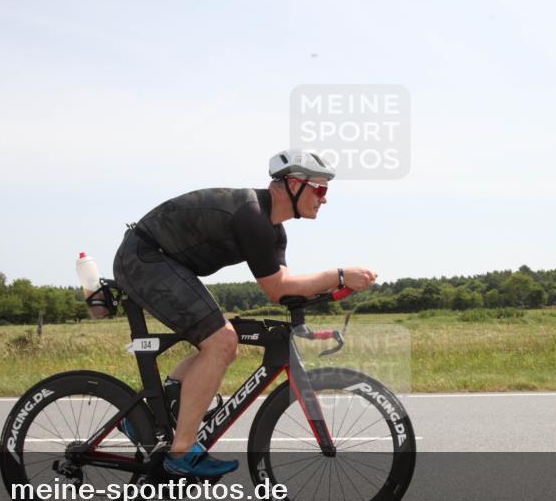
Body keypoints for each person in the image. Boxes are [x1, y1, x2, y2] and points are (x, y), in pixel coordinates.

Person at [112, 149, 378, 477]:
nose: (324, 199)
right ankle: (179, 454)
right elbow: (278, 288)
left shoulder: (273, 230)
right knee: (221, 341)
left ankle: (152, 413)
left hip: (164, 261)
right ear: (293, 184)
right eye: (320, 189)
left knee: (224, 341)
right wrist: (338, 274)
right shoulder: (251, 215)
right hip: (144, 258)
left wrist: (332, 291)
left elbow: (287, 289)